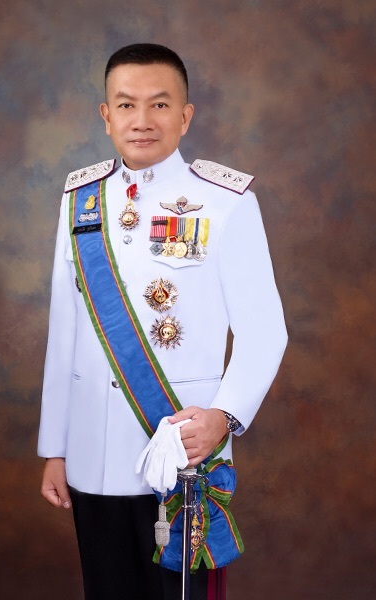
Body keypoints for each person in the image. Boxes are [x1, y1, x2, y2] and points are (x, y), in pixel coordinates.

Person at [38, 43, 287, 600]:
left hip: (182, 453)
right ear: (106, 116)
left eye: (159, 104)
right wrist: (55, 448)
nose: (142, 120)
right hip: (91, 457)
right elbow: (65, 333)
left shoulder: (225, 202)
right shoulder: (79, 201)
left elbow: (265, 331)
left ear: (185, 115)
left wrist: (224, 417)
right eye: (126, 105)